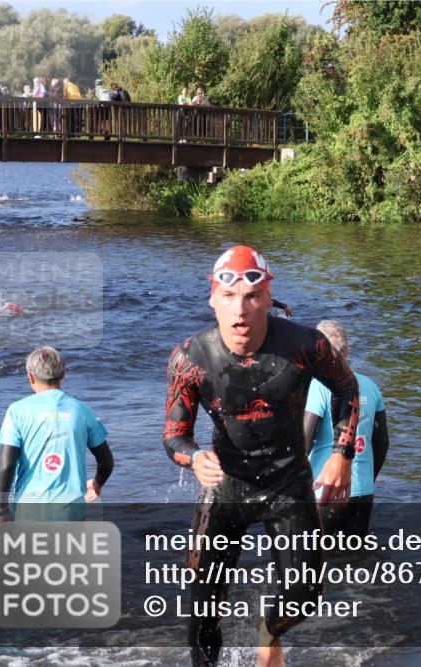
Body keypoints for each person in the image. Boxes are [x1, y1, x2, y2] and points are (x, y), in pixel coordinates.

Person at [162, 245, 360, 667]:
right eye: (230, 297)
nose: (241, 310)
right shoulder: (190, 358)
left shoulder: (306, 345)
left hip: (288, 481)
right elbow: (173, 436)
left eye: (252, 298)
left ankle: (268, 631)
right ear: (213, 300)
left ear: (269, 299)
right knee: (201, 606)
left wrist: (342, 453)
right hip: (226, 485)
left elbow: (347, 388)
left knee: (305, 596)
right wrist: (192, 457)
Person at [0, 347, 114, 522]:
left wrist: (0, 510)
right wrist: (97, 483)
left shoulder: (17, 411)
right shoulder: (81, 410)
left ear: (30, 376)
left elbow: (7, 464)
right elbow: (107, 462)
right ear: (63, 374)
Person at [304, 321, 389, 538]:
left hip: (324, 490)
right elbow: (382, 443)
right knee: (356, 559)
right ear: (347, 350)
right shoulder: (370, 386)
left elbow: (304, 441)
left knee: (310, 562)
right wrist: (367, 479)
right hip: (362, 492)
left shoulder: (318, 386)